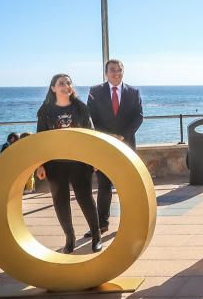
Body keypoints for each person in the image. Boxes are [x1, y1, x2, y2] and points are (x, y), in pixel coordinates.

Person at [36, 73, 103, 254]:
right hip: (55, 164)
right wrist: (40, 164)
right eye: (61, 83)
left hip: (79, 162)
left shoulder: (80, 108)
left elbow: (91, 135)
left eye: (68, 83)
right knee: (60, 201)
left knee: (85, 199)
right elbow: (40, 140)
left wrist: (94, 158)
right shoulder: (45, 111)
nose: (65, 85)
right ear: (53, 88)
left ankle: (96, 237)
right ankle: (70, 238)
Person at [87, 59, 144, 237]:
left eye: (119, 70)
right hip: (104, 146)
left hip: (126, 145)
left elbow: (138, 117)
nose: (116, 73)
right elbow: (90, 118)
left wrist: (122, 136)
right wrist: (109, 136)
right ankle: (101, 225)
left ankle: (130, 223)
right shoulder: (95, 91)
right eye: (112, 70)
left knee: (127, 186)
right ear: (106, 73)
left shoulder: (133, 92)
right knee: (104, 186)